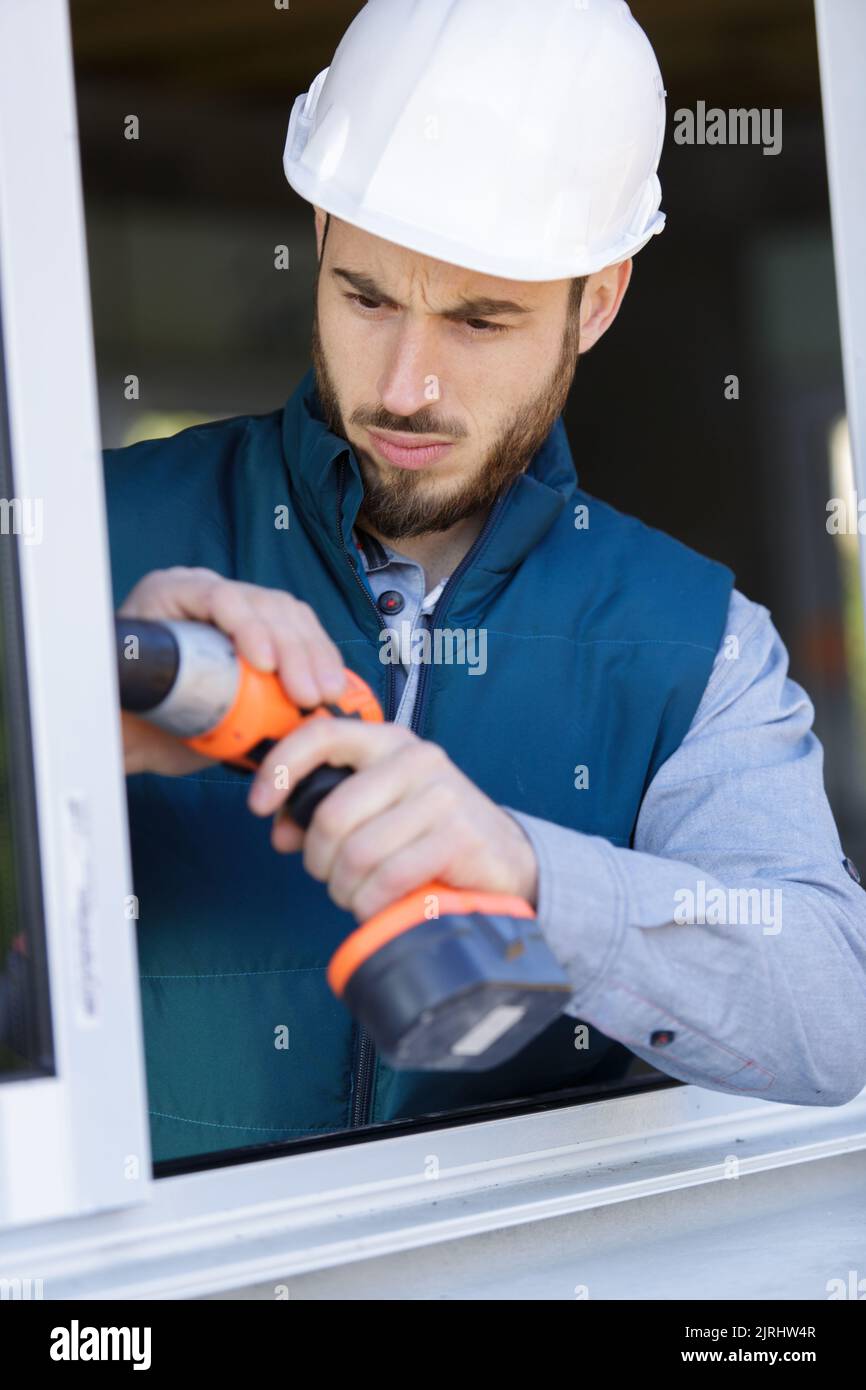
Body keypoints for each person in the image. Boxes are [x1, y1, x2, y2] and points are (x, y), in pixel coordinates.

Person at [107, 0, 866, 1164]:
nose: (405, 385)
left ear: (596, 301)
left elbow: (829, 1013)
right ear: (316, 230)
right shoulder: (98, 538)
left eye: (479, 319)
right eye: (365, 296)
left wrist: (530, 872)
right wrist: (67, 717)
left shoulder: (692, 642)